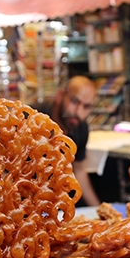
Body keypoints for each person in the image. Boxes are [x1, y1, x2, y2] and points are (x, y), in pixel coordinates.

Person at [36, 76, 99, 206]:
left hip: (55, 202)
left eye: (86, 106)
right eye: (75, 102)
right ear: (60, 96)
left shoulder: (81, 128)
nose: (78, 112)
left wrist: (97, 208)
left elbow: (79, 170)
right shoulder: (33, 118)